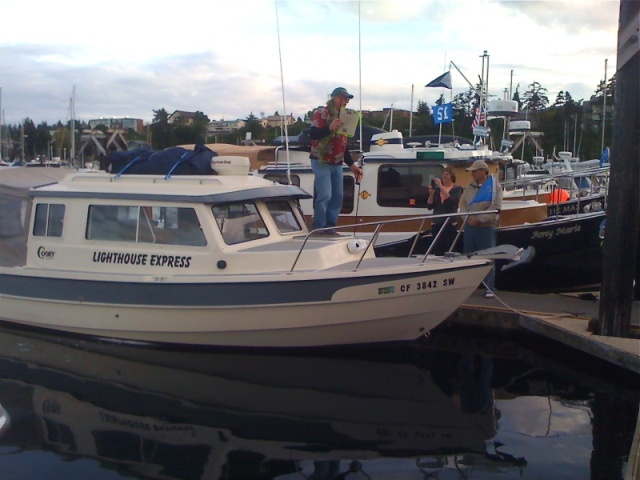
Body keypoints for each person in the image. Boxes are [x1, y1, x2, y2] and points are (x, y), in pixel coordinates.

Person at [309, 87, 363, 234]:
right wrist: (329, 127)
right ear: (336, 98)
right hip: (321, 161)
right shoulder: (321, 113)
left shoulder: (346, 117)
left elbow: (342, 145)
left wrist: (352, 166)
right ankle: (318, 228)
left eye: (348, 99)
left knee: (338, 196)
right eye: (345, 98)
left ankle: (330, 227)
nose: (347, 101)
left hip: (337, 162)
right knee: (325, 194)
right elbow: (313, 134)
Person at [459, 159, 503, 298]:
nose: (472, 174)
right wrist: (467, 219)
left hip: (486, 227)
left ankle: (488, 287)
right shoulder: (469, 187)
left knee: (487, 257)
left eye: (475, 171)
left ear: (483, 171)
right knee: (469, 256)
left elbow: (495, 209)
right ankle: (469, 286)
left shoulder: (495, 188)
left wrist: (479, 220)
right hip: (470, 227)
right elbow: (463, 205)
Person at [426, 167, 463, 255]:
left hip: (449, 223)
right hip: (437, 223)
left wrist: (441, 187)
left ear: (452, 176)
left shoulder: (457, 189)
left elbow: (451, 202)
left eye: (447, 174)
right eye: (443, 174)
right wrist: (431, 194)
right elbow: (429, 206)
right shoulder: (437, 190)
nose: (444, 176)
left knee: (449, 248)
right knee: (437, 249)